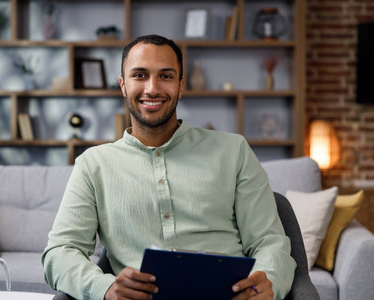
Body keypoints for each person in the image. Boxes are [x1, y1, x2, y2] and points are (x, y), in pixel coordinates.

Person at [42, 34, 296, 300]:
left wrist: (269, 282)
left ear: (181, 85)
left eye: (166, 76)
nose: (152, 88)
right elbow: (60, 252)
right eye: (139, 75)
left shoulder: (234, 151)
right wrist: (104, 287)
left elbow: (269, 241)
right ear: (123, 85)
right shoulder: (93, 165)